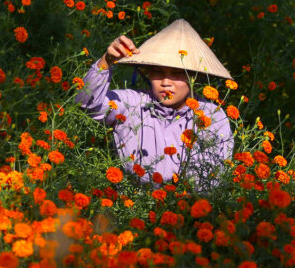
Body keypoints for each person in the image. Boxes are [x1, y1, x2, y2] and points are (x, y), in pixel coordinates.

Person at [74, 19, 234, 192]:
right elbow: (87, 105)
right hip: (132, 206)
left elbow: (216, 175)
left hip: (189, 211)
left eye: (177, 73)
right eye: (158, 72)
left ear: (194, 77)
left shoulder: (211, 115)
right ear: (148, 73)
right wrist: (106, 61)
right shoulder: (132, 103)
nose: (166, 82)